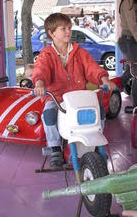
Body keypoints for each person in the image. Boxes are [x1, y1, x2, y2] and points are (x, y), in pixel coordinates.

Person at [32, 13, 117, 168]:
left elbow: (92, 68)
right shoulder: (46, 55)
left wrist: (104, 80)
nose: (68, 32)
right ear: (52, 33)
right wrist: (39, 84)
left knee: (100, 112)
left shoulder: (80, 52)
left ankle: (95, 141)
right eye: (63, 29)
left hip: (78, 95)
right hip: (56, 97)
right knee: (49, 114)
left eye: (69, 28)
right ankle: (55, 147)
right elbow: (41, 71)